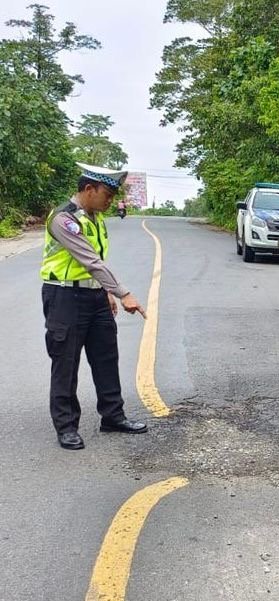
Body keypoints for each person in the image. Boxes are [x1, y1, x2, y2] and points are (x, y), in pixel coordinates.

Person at [41, 162, 148, 450]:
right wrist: (123, 292)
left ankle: (112, 416)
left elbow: (95, 264)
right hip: (64, 298)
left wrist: (106, 291)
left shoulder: (94, 217)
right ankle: (66, 426)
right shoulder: (64, 219)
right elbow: (90, 260)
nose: (111, 201)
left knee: (106, 356)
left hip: (96, 296)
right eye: (107, 194)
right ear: (89, 189)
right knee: (66, 362)